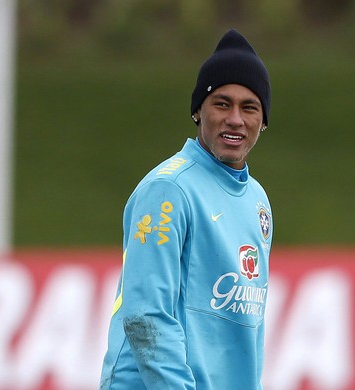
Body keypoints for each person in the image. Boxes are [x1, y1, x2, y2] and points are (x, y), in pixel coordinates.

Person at [99, 29, 274, 389]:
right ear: (198, 111)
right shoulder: (169, 190)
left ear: (264, 120)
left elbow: (249, 330)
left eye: (249, 107)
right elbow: (146, 317)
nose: (235, 119)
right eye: (222, 104)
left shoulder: (258, 201)